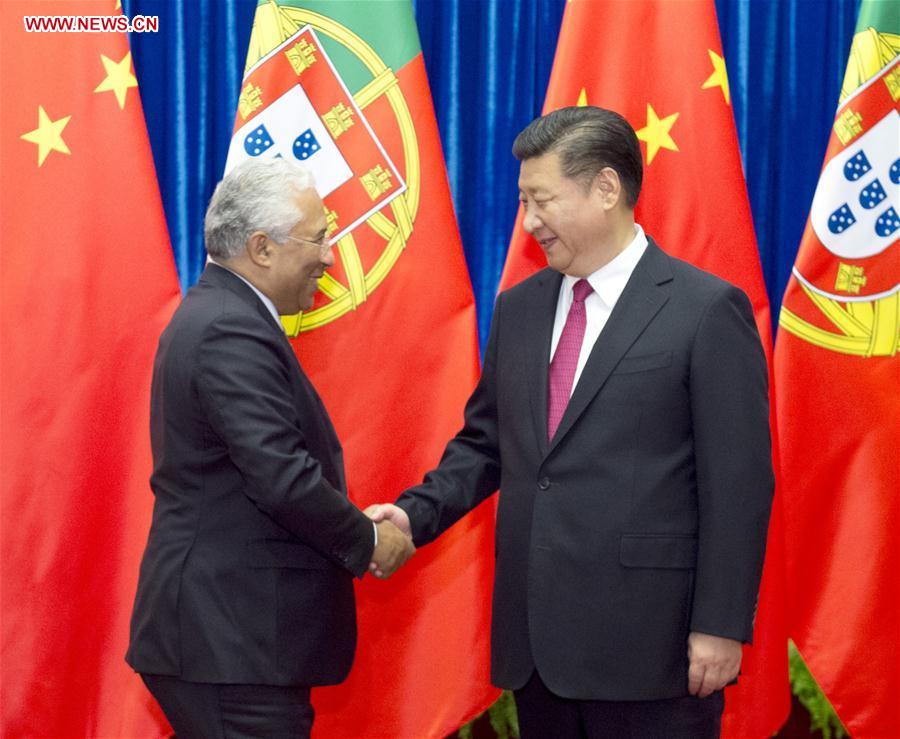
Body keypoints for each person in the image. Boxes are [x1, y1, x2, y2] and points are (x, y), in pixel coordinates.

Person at [369, 106, 773, 738]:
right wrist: (413, 514)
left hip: (654, 651)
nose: (529, 222)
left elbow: (739, 483)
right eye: (523, 201)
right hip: (537, 651)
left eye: (541, 200)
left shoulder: (704, 310)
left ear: (606, 189)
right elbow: (485, 444)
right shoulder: (521, 309)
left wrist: (719, 624)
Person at [126, 158, 414, 738]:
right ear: (261, 247)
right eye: (319, 236)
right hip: (233, 640)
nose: (330, 255)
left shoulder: (221, 316)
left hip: (234, 639)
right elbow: (280, 477)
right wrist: (370, 541)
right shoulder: (229, 328)